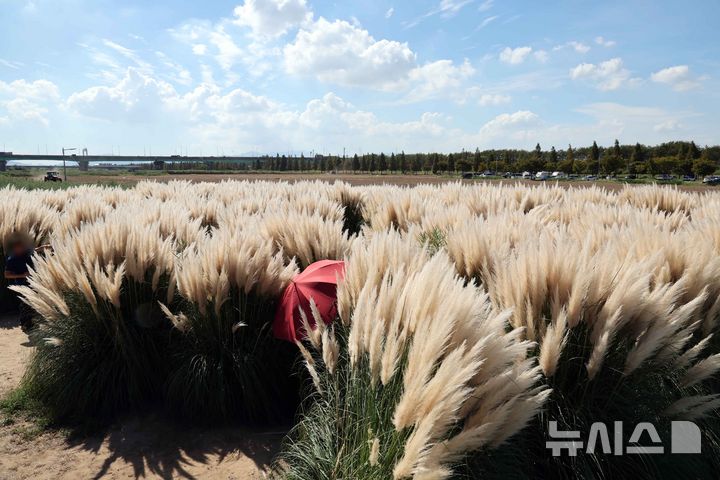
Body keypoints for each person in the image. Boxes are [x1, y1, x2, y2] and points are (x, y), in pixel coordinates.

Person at [4, 234, 49, 332]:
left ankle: (31, 323)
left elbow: (36, 249)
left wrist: (45, 247)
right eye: (19, 247)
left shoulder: (27, 252)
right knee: (24, 303)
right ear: (15, 248)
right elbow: (7, 275)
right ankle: (25, 323)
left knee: (33, 302)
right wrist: (23, 275)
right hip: (21, 284)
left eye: (22, 246)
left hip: (32, 281)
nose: (22, 248)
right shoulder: (11, 259)